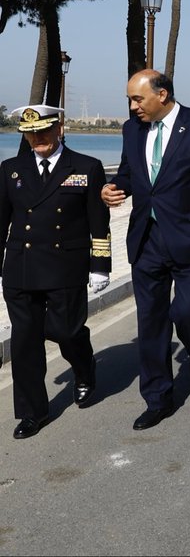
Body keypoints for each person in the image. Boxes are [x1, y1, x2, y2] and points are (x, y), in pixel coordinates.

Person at [101, 70, 190, 430]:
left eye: (138, 99)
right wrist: (113, 188)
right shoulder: (131, 130)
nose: (132, 106)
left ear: (163, 95)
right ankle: (157, 397)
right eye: (129, 99)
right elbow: (129, 172)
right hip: (146, 240)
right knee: (151, 323)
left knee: (187, 313)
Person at [1, 106, 109, 439]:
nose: (38, 139)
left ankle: (84, 366)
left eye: (44, 131)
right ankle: (32, 412)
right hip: (21, 266)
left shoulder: (86, 167)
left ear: (59, 129)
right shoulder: (10, 169)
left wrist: (101, 266)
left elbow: (98, 222)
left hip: (66, 266)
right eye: (31, 133)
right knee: (24, 341)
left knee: (65, 331)